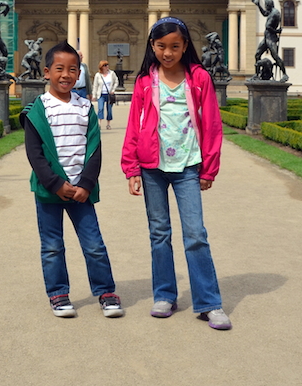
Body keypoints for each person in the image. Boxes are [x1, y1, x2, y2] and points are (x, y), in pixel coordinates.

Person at [120, 17, 231, 330]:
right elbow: (134, 125)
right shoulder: (145, 81)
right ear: (152, 46)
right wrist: (131, 167)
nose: (167, 52)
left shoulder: (199, 78)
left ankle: (209, 302)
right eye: (161, 46)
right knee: (160, 233)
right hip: (151, 166)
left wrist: (209, 167)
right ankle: (165, 294)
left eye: (174, 46)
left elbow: (211, 124)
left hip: (187, 165)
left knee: (196, 234)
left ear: (185, 47)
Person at [19, 41, 124, 319]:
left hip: (81, 191)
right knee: (52, 246)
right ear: (46, 72)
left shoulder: (85, 108)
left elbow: (94, 147)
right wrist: (56, 184)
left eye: (72, 70)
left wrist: (86, 184)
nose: (66, 75)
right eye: (59, 69)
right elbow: (35, 154)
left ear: (79, 74)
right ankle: (58, 294)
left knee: (94, 245)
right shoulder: (37, 109)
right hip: (49, 190)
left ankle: (106, 291)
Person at [250, 0, 289, 82]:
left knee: (275, 56)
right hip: (266, 37)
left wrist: (276, 31)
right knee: (257, 54)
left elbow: (268, 26)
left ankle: (285, 74)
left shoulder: (275, 13)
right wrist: (258, 5)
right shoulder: (271, 11)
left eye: (265, 5)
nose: (265, 7)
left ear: (269, 5)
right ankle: (257, 75)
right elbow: (264, 13)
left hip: (271, 38)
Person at [91, 60, 118, 130]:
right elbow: (95, 85)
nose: (107, 67)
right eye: (105, 65)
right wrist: (94, 95)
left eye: (107, 65)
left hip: (109, 94)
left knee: (109, 109)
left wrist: (113, 90)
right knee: (100, 108)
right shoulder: (98, 75)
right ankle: (99, 124)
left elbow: (116, 82)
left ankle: (108, 124)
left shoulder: (112, 73)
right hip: (101, 94)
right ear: (101, 67)